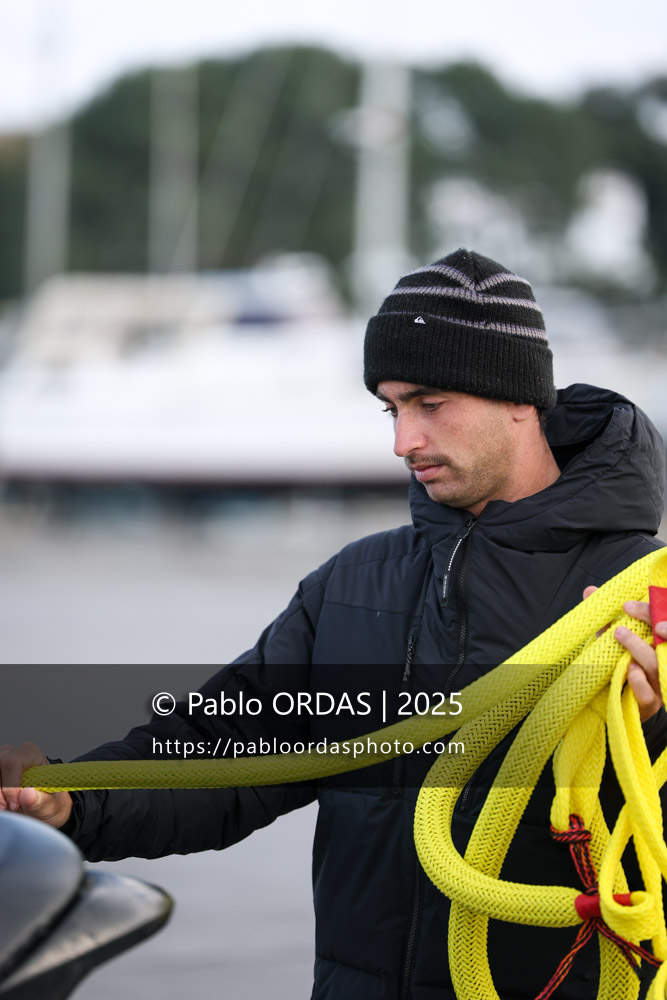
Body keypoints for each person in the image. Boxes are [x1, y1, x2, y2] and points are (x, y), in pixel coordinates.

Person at [2, 248, 667, 1000]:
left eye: (428, 403)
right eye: (390, 408)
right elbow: (226, 753)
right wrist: (72, 801)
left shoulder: (639, 594)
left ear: (517, 395)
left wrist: (645, 729)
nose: (400, 441)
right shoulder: (353, 585)